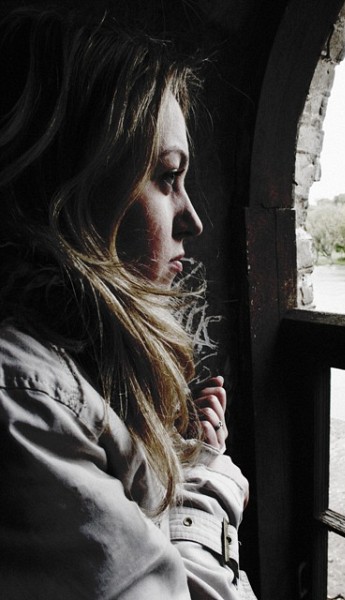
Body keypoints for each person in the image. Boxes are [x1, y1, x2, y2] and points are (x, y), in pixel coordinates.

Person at [0, 6, 257, 599]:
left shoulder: (75, 365)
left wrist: (176, 453)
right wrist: (206, 480)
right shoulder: (26, 404)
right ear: (71, 183)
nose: (193, 219)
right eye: (167, 176)